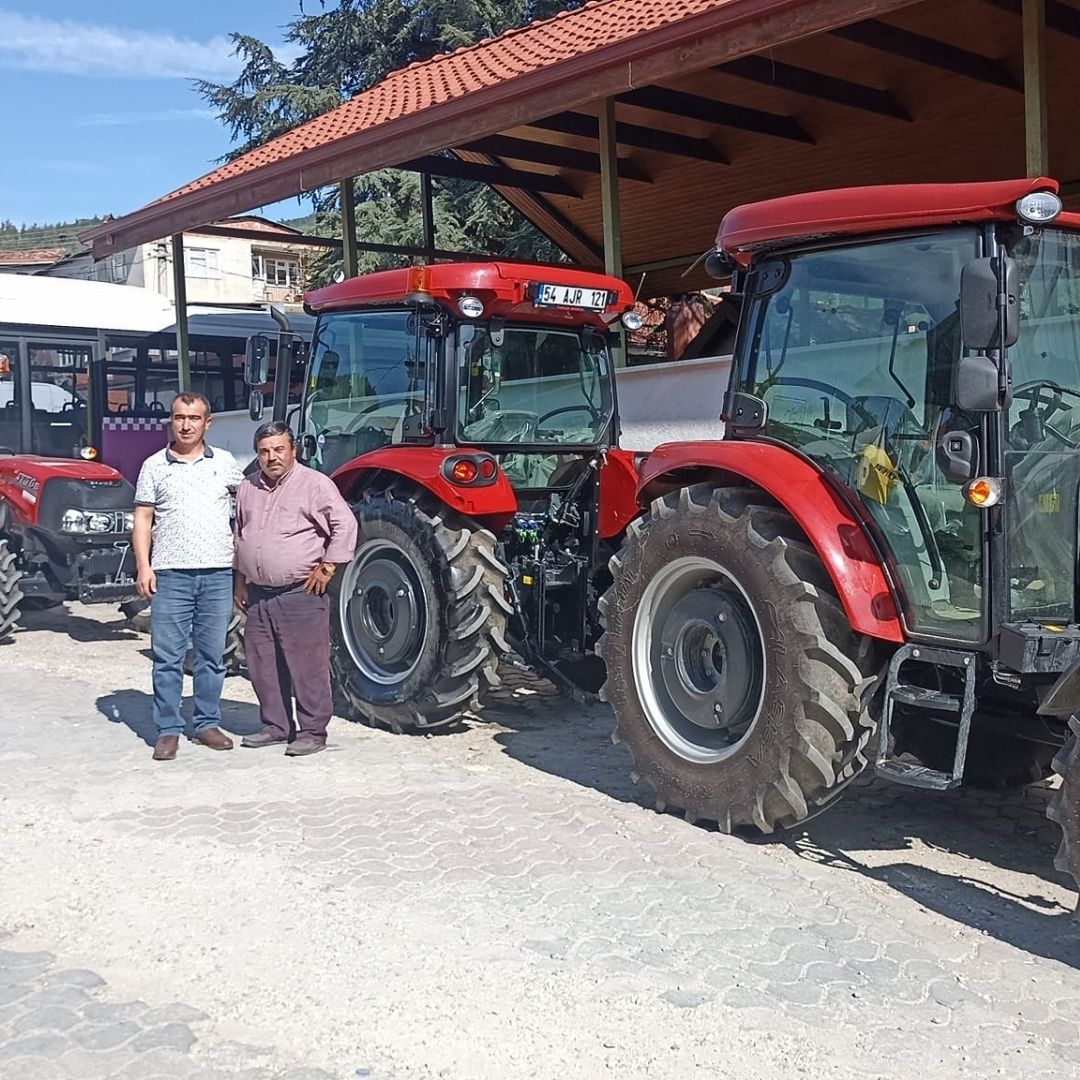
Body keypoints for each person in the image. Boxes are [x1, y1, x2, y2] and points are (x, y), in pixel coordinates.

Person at [233, 421, 358, 756]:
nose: (272, 457)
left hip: (300, 593)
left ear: (293, 451)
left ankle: (313, 731)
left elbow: (345, 524)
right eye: (264, 451)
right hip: (259, 594)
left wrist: (329, 566)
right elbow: (241, 535)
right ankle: (276, 727)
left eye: (279, 449)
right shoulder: (248, 487)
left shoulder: (315, 485)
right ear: (257, 454)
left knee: (307, 666)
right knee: (262, 664)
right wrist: (240, 580)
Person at [132, 392, 244, 761]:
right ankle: (168, 729)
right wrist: (144, 565)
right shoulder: (153, 466)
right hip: (171, 575)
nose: (186, 425)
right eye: (179, 417)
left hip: (216, 573)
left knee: (212, 656)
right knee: (168, 656)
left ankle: (207, 723)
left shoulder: (225, 464)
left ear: (206, 423)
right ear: (171, 421)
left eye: (194, 418)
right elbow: (144, 519)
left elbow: (246, 509)